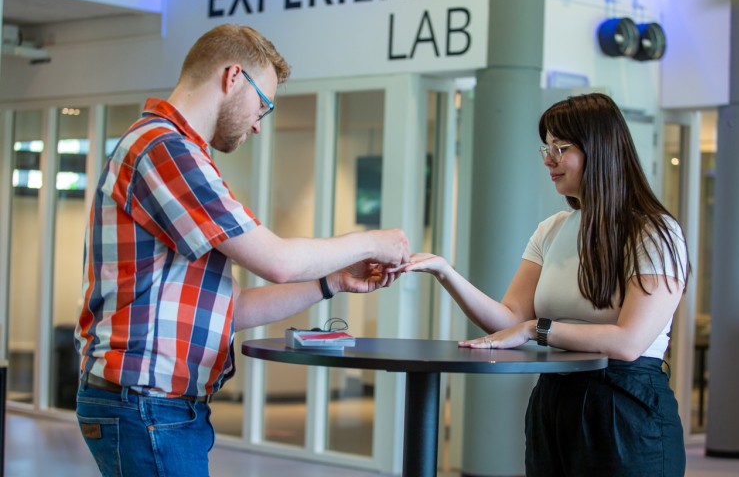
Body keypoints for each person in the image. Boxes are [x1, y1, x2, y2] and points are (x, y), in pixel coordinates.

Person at [74, 24, 410, 477]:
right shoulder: (165, 150)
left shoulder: (177, 152)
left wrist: (332, 282)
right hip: (146, 404)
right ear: (233, 77)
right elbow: (278, 261)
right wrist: (373, 239)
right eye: (262, 105)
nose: (257, 123)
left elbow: (226, 310)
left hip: (156, 406)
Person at [402, 93, 689, 476]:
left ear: (599, 150)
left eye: (561, 148)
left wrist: (537, 331)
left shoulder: (654, 232)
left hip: (625, 404)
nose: (548, 160)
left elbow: (628, 342)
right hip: (554, 397)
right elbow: (509, 321)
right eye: (547, 148)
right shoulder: (552, 229)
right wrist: (445, 272)